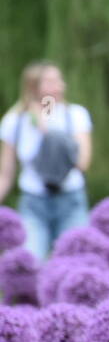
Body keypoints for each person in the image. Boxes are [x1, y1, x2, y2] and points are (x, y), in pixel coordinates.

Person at [0, 61, 93, 259]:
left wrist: (46, 129)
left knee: (76, 261)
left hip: (71, 201)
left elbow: (82, 162)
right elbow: (5, 174)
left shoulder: (75, 115)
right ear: (33, 87)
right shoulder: (14, 121)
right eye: (50, 82)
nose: (59, 86)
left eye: (59, 81)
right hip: (33, 203)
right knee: (30, 263)